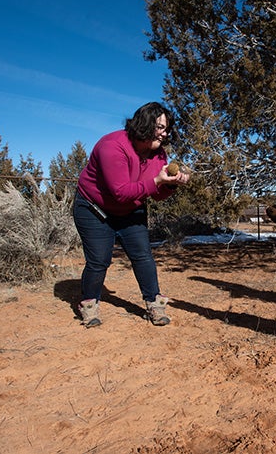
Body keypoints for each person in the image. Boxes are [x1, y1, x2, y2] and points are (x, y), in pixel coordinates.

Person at [73, 102, 190, 327]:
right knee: (99, 260)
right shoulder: (112, 146)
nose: (165, 134)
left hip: (130, 208)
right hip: (94, 209)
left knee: (143, 255)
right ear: (144, 125)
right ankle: (88, 306)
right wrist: (156, 181)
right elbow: (119, 192)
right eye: (160, 127)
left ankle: (155, 305)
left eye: (167, 129)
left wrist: (171, 184)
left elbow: (156, 195)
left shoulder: (158, 154)